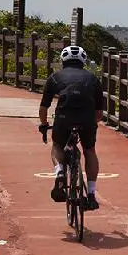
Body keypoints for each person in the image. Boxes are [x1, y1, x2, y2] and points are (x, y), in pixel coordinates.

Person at [37, 45, 104, 210]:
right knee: (89, 151)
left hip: (63, 118)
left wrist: (44, 124)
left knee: (57, 146)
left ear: (63, 60)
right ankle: (91, 194)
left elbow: (43, 108)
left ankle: (60, 171)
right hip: (87, 119)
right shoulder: (92, 79)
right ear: (83, 61)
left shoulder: (54, 77)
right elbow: (99, 113)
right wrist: (91, 125)